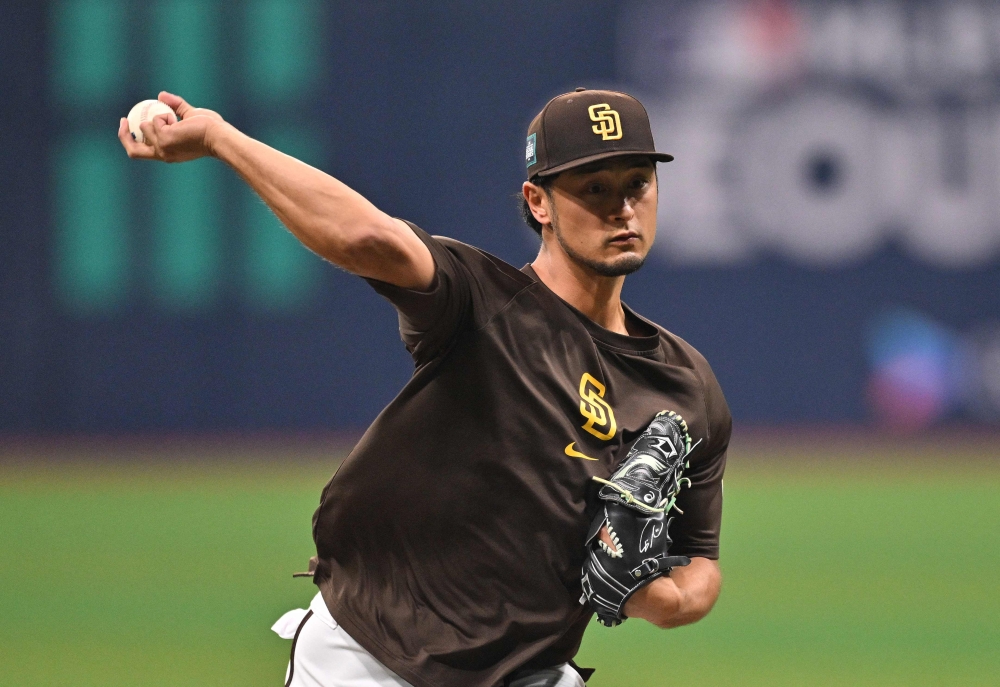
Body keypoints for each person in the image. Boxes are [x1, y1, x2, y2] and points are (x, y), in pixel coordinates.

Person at [119, 87, 731, 687]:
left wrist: (654, 596)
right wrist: (222, 139)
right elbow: (371, 239)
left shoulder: (686, 385)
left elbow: (700, 564)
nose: (621, 208)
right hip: (371, 655)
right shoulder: (481, 301)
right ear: (537, 202)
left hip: (528, 672)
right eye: (594, 188)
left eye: (636, 185)